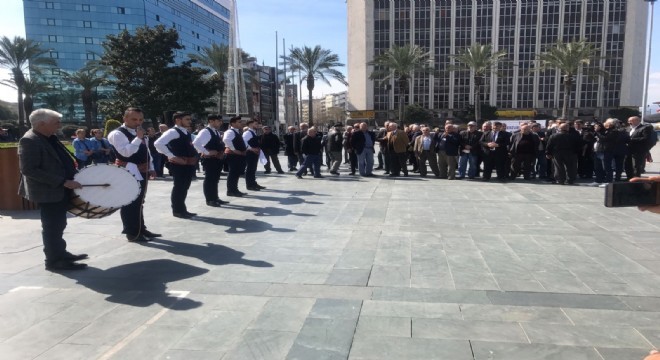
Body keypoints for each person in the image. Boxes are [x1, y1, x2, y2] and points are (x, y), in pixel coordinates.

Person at [18, 109, 88, 270]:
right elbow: (29, 169)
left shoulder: (50, 137)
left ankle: (60, 253)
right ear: (42, 124)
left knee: (59, 224)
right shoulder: (29, 140)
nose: (59, 125)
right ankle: (53, 261)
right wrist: (63, 181)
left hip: (59, 188)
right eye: (56, 122)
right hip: (48, 191)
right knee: (52, 226)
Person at [108, 107, 161, 242]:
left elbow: (146, 151)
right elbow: (126, 153)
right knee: (130, 201)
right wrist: (138, 138)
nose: (138, 122)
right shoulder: (117, 134)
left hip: (142, 170)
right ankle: (132, 232)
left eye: (140, 119)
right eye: (134, 119)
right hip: (128, 171)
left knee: (139, 201)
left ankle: (141, 228)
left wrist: (152, 167)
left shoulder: (140, 133)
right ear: (125, 118)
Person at [154, 111, 198, 219]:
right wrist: (171, 155)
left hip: (188, 163)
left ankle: (182, 209)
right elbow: (158, 143)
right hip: (179, 164)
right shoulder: (173, 132)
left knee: (184, 187)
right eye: (187, 119)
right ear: (178, 120)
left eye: (189, 119)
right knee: (179, 187)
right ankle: (177, 210)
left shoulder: (186, 132)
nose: (190, 121)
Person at [192, 114, 228, 207]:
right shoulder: (205, 131)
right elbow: (196, 143)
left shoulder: (216, 131)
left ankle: (215, 197)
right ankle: (210, 199)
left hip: (217, 159)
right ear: (211, 121)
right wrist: (206, 152)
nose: (220, 123)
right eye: (218, 121)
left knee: (215, 179)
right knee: (210, 179)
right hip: (210, 159)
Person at [223, 116, 248, 197]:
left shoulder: (237, 131)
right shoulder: (230, 131)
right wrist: (234, 150)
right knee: (233, 173)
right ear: (233, 123)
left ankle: (235, 189)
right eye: (239, 122)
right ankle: (230, 190)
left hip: (238, 155)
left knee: (236, 173)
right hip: (233, 155)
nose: (241, 123)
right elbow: (226, 140)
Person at [243, 119, 266, 191]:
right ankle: (249, 185)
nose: (257, 125)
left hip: (254, 153)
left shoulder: (253, 132)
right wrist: (252, 149)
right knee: (250, 169)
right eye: (256, 124)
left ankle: (253, 183)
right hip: (250, 153)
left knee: (253, 168)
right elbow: (244, 143)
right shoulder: (247, 133)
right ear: (250, 124)